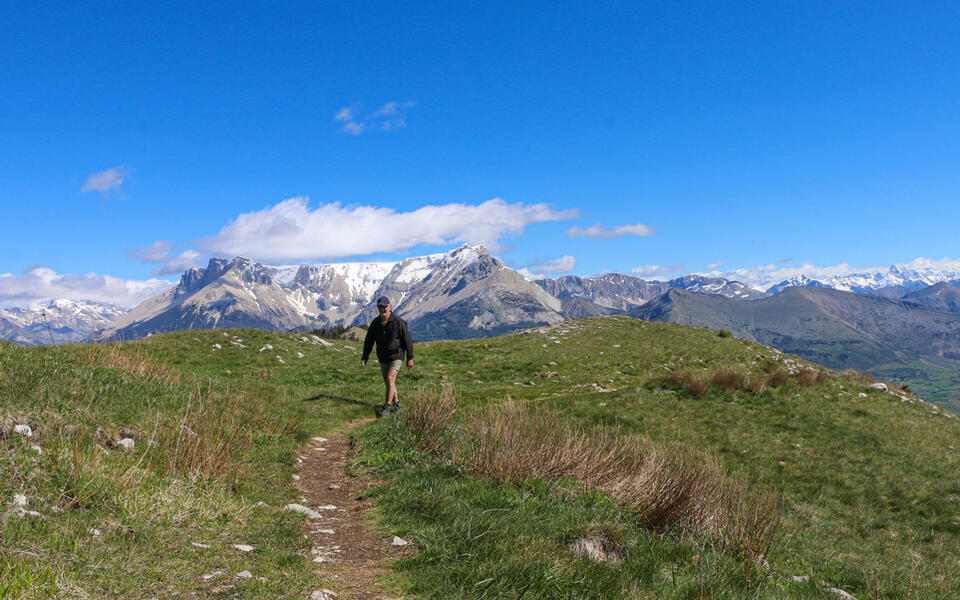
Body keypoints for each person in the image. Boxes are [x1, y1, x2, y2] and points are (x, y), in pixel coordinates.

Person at [361, 296, 414, 417]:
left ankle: (387, 407)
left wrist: (410, 357)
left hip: (397, 356)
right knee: (389, 382)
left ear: (389, 307)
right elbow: (369, 341)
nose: (382, 309)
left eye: (384, 307)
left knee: (390, 379)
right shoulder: (375, 323)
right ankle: (398, 404)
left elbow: (407, 340)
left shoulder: (399, 322)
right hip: (383, 357)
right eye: (380, 307)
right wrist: (365, 357)